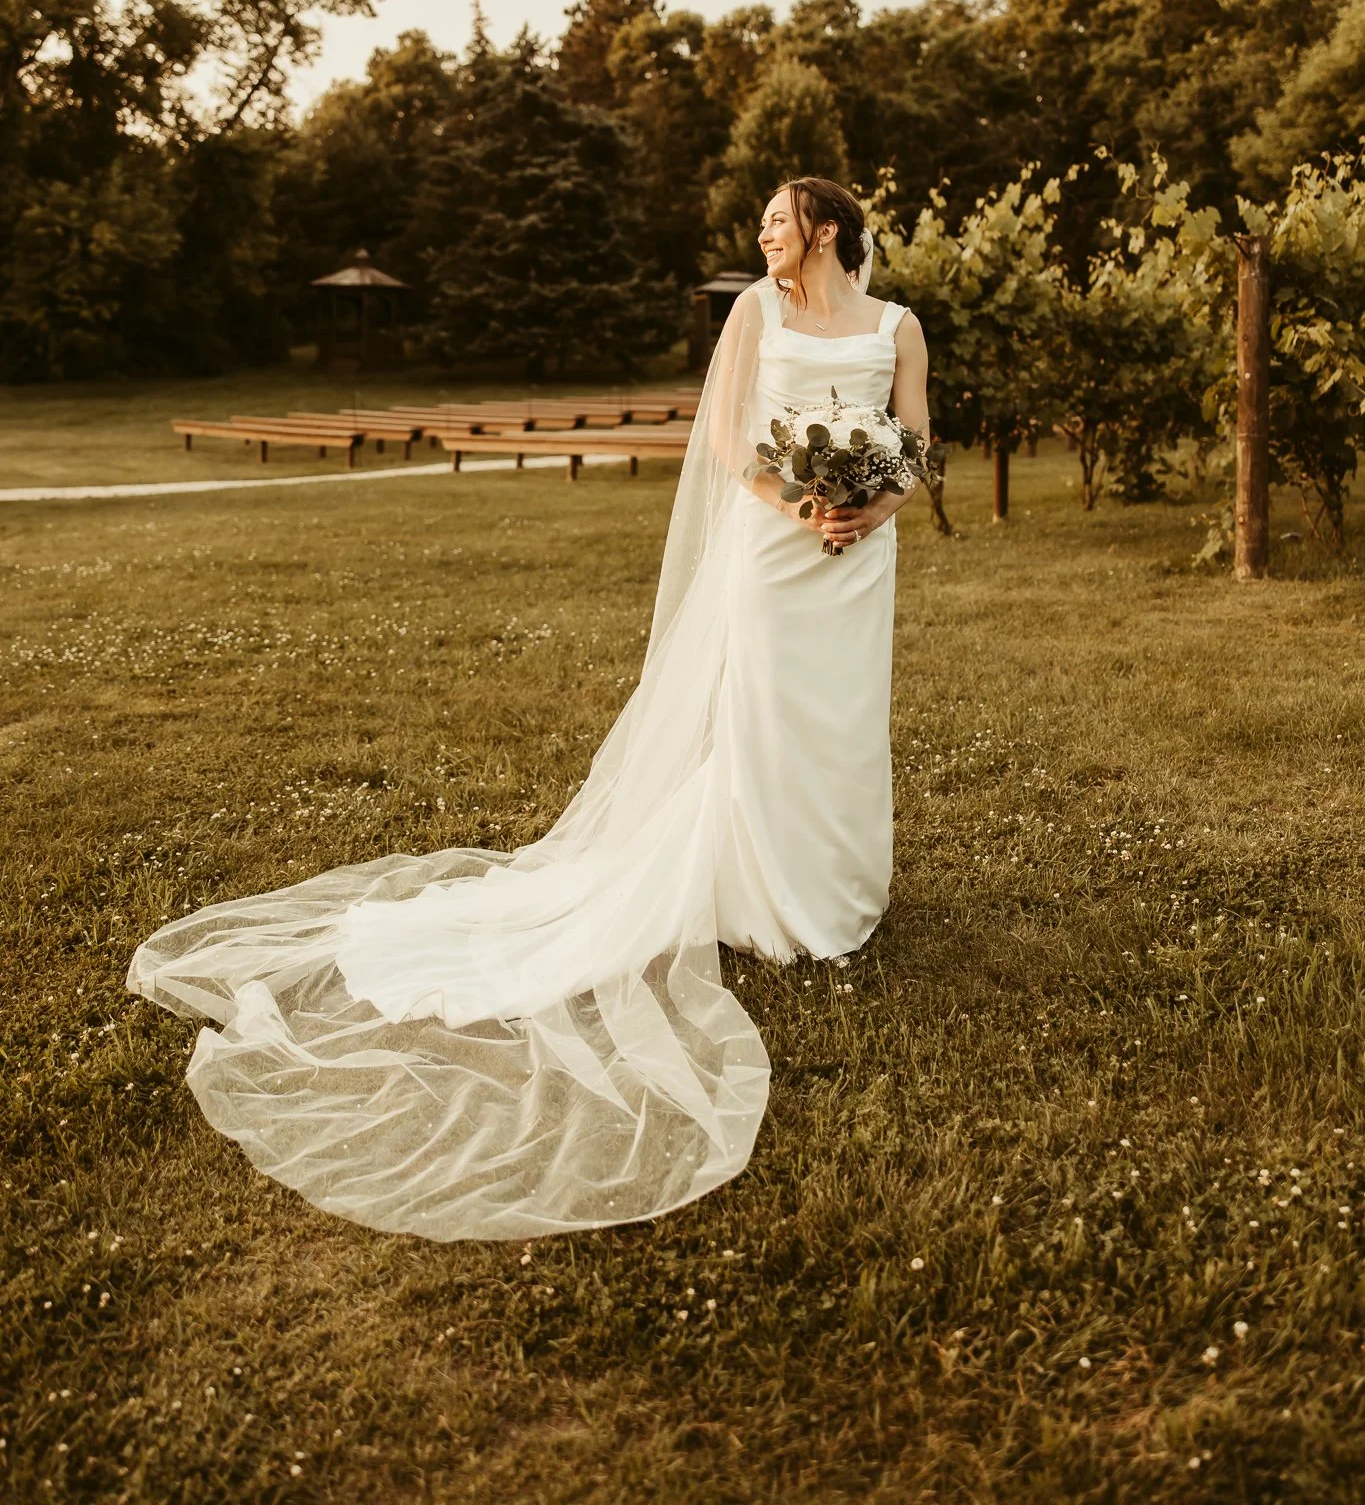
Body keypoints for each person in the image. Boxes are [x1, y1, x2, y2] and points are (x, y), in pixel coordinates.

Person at [128, 177, 930, 1242]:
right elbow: (732, 439)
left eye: (777, 221)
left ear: (822, 232)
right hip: (773, 554)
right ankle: (757, 894)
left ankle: (835, 884)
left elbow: (917, 443)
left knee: (836, 719)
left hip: (855, 559)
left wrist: (868, 502)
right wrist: (802, 501)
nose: (763, 235)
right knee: (763, 716)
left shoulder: (897, 325)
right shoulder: (755, 311)